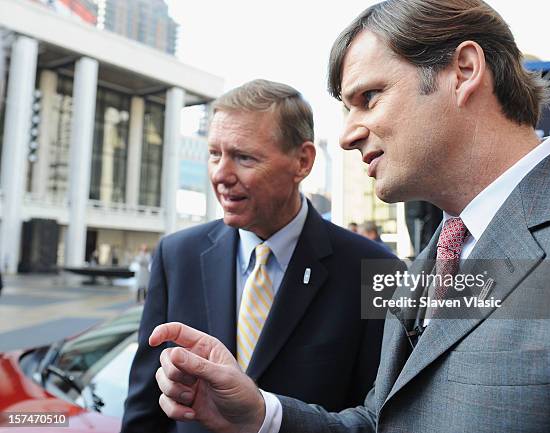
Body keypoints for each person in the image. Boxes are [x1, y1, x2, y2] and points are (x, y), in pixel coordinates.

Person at [148, 1, 550, 432]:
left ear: (464, 71)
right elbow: (384, 420)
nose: (348, 135)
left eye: (369, 97)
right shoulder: (437, 257)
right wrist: (262, 413)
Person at [121, 79, 394, 433]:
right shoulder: (177, 255)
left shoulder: (373, 270)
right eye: (215, 154)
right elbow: (144, 410)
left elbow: (378, 417)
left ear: (303, 161)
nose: (221, 174)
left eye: (244, 157)